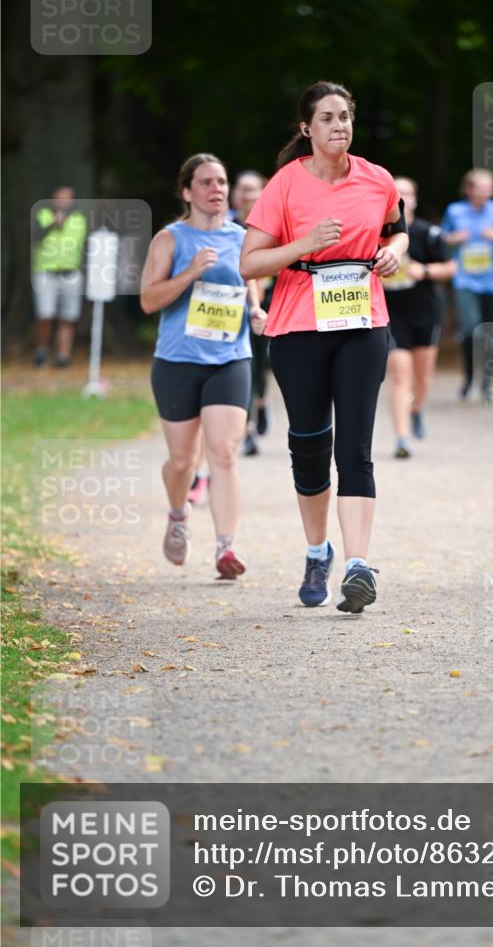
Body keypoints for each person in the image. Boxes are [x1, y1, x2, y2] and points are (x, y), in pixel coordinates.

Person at [240, 81, 408, 613]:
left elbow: (396, 230)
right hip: (298, 327)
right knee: (310, 443)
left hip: (362, 318)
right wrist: (304, 245)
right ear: (306, 129)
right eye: (329, 118)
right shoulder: (286, 185)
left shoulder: (377, 179)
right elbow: (249, 263)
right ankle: (319, 551)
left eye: (346, 117)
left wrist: (394, 252)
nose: (340, 126)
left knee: (354, 445)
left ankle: (358, 566)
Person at [140, 153, 267, 578]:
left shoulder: (243, 237)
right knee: (181, 461)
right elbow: (148, 300)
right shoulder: (170, 240)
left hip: (229, 358)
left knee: (224, 453)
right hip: (177, 361)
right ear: (187, 192)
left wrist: (256, 308)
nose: (217, 190)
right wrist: (190, 273)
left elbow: (252, 279)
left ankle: (225, 548)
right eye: (207, 182)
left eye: (222, 181)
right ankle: (178, 514)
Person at [384, 176, 455, 458]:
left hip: (425, 312)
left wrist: (423, 271)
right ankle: (402, 438)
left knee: (423, 378)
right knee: (400, 374)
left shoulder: (429, 233)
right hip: (392, 314)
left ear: (414, 199)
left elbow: (451, 267)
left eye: (406, 194)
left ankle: (416, 409)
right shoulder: (378, 234)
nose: (401, 199)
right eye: (396, 193)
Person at [441, 169, 493, 402]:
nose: (487, 191)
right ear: (469, 189)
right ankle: (468, 379)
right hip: (465, 282)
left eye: (490, 187)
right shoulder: (455, 211)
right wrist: (454, 239)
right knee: (469, 331)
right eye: (482, 186)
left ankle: (487, 385)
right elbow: (441, 240)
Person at [229, 171, 272, 457]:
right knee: (242, 363)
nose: (248, 195)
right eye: (243, 190)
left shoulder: (272, 225)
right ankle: (248, 430)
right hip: (232, 307)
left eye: (253, 190)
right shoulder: (226, 226)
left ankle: (260, 402)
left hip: (268, 304)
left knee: (262, 362)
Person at [32, 186, 88, 367]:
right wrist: (53, 224)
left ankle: (63, 357)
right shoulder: (42, 216)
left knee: (68, 317)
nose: (62, 202)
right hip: (46, 274)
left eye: (67, 199)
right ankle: (41, 352)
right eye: (59, 198)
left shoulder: (80, 219)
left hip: (71, 274)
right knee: (45, 315)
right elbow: (34, 236)